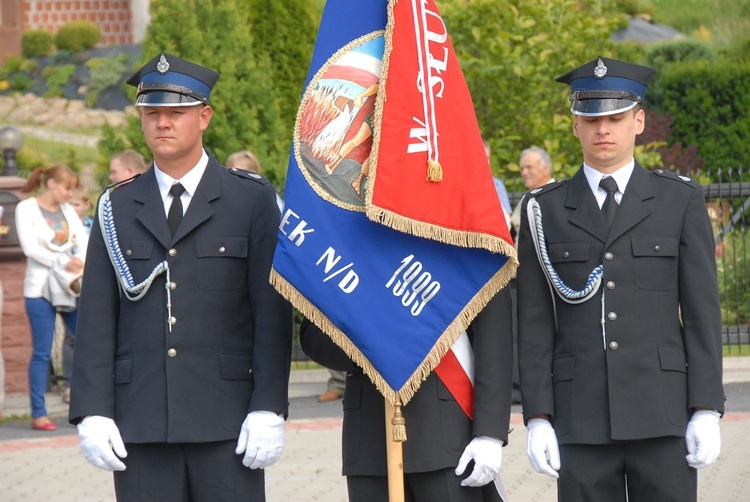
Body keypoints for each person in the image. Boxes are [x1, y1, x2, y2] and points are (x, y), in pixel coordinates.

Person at [69, 52, 293, 501]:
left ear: (204, 117)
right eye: (152, 113)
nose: (163, 123)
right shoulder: (116, 206)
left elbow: (271, 313)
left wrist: (269, 406)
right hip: (141, 419)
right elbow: (96, 316)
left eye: (176, 112)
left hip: (227, 420)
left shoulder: (249, 199)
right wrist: (92, 411)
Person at [516, 56, 724, 501]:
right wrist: (537, 416)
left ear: (639, 121)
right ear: (576, 125)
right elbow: (533, 323)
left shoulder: (677, 200)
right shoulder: (545, 210)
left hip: (662, 412)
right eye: (592, 118)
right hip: (580, 417)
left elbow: (703, 312)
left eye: (616, 117)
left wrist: (706, 407)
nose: (603, 129)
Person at [300, 288, 513, 502]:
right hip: (369, 441)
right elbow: (313, 337)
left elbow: (493, 331)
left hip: (448, 436)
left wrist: (490, 433)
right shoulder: (345, 254)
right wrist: (373, 334)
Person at [15, 165, 88, 431]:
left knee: (87, 342)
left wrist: (79, 258)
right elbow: (30, 249)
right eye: (67, 188)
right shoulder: (27, 209)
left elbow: (84, 239)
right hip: (40, 289)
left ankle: (88, 406)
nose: (70, 194)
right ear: (52, 184)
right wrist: (64, 261)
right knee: (42, 351)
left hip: (68, 287)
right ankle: (39, 413)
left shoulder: (68, 211)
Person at [509, 146, 554, 242]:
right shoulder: (526, 199)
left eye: (529, 167)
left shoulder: (559, 196)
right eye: (522, 169)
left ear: (546, 169)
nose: (524, 173)